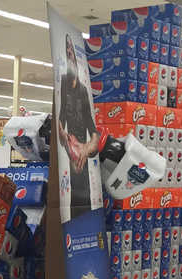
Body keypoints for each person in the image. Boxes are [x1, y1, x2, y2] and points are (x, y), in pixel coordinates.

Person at [57, 33, 101, 210]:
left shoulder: (83, 90)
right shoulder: (63, 84)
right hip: (70, 150)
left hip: (82, 151)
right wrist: (61, 131)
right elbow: (60, 116)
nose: (70, 55)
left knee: (84, 196)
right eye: (67, 53)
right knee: (74, 196)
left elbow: (93, 128)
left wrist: (88, 147)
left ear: (75, 56)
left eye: (71, 52)